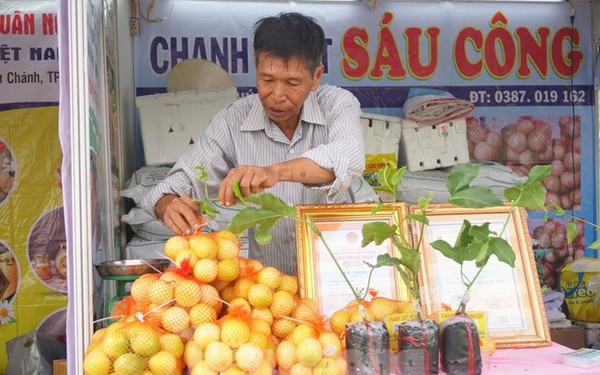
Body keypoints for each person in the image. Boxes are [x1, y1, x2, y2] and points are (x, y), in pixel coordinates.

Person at [140, 12, 376, 276]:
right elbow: (171, 186)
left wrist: (273, 172)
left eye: (292, 83)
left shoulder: (337, 103)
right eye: (267, 80)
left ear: (316, 76)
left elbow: (348, 157)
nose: (276, 95)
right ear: (255, 65)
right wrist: (169, 205)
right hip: (269, 290)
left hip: (338, 279)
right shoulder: (232, 122)